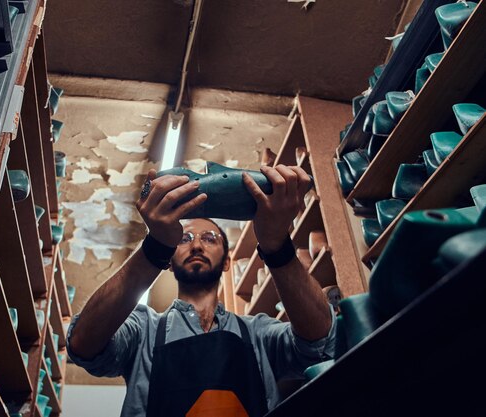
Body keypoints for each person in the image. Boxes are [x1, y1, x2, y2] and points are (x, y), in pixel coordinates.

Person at [67, 164, 336, 417]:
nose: (197, 246)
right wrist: (155, 247)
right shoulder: (143, 330)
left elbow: (320, 344)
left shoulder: (259, 335)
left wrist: (277, 246)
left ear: (228, 261)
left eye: (209, 238)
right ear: (170, 262)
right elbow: (83, 344)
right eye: (185, 239)